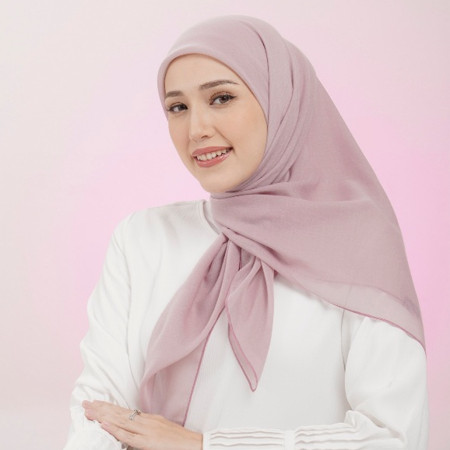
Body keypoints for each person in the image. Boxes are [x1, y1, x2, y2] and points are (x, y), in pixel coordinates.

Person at [64, 16, 428, 450]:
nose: (196, 129)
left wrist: (203, 445)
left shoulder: (360, 246)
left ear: (281, 102)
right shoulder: (141, 238)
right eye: (177, 107)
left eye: (221, 98)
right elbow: (97, 412)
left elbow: (392, 437)